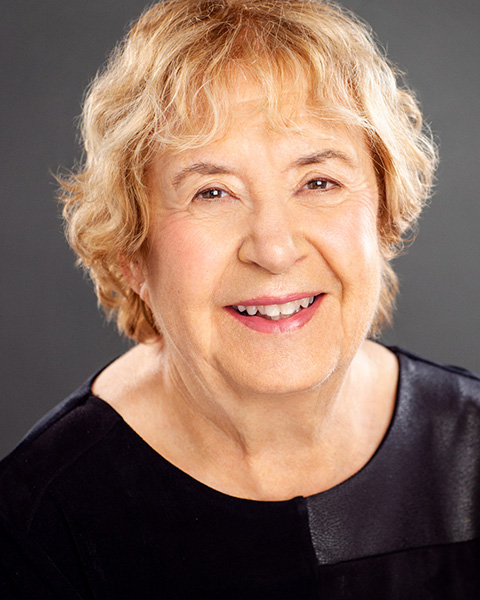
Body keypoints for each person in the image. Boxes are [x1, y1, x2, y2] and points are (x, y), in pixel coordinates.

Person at [1, 0, 479, 598]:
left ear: (384, 216)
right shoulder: (36, 530)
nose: (274, 249)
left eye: (319, 181)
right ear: (131, 251)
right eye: (212, 192)